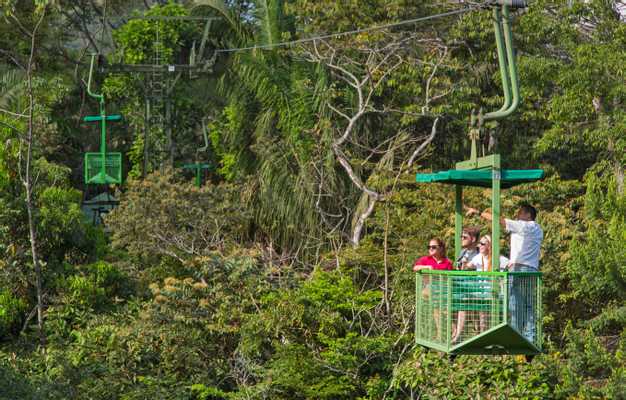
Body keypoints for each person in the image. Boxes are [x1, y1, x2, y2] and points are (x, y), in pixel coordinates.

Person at [465, 203, 543, 343]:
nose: (517, 216)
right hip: (532, 269)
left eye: (520, 213)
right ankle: (530, 337)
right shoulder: (538, 229)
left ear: (528, 215)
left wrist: (478, 211)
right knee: (528, 304)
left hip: (519, 268)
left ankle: (515, 335)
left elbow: (499, 220)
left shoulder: (524, 226)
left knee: (514, 302)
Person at [413, 238, 452, 342]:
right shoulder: (426, 259)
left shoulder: (447, 262)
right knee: (432, 297)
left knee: (437, 310)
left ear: (441, 248)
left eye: (433, 247)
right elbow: (415, 268)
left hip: (442, 291)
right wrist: (427, 267)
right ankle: (445, 330)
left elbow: (450, 277)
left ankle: (441, 334)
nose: (430, 249)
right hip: (429, 289)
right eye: (429, 247)